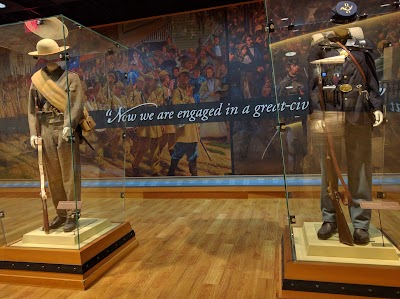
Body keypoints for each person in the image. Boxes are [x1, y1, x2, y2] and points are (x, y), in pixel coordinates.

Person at [309, 12, 384, 244]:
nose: (344, 27)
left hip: (359, 113)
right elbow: (312, 85)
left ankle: (361, 223)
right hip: (330, 113)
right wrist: (317, 113)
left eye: (348, 23)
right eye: (340, 23)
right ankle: (330, 218)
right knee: (329, 170)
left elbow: (372, 80)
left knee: (360, 170)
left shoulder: (363, 45)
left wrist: (377, 106)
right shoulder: (320, 45)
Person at [27, 38, 84, 233]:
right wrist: (34, 133)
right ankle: (61, 214)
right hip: (46, 131)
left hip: (64, 130)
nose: (49, 59)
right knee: (54, 176)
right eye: (45, 56)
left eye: (51, 55)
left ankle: (71, 215)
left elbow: (76, 105)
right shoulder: (36, 81)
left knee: (69, 175)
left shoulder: (71, 78)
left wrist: (69, 125)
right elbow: (32, 110)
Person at [277, 53, 307, 174]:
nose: (297, 67)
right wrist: (281, 123)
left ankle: (301, 171)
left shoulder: (303, 79)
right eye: (294, 65)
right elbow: (279, 102)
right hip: (289, 119)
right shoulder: (283, 83)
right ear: (288, 68)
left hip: (301, 118)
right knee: (290, 148)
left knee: (302, 147)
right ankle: (290, 172)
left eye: (297, 65)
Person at [168, 69, 200, 176]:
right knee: (178, 152)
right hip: (183, 128)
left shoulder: (189, 91)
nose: (186, 79)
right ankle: (171, 173)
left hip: (191, 128)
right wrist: (187, 96)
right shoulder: (176, 92)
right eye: (183, 76)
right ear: (179, 78)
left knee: (193, 152)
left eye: (187, 77)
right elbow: (178, 108)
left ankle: (194, 174)